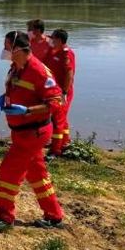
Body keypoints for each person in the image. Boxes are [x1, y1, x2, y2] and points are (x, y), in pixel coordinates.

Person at [0, 30, 65, 229]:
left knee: (9, 172)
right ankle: (54, 216)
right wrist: (3, 98)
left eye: (7, 47)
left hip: (33, 132)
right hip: (21, 132)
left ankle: (4, 216)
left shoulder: (38, 71)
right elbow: (17, 88)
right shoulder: (16, 67)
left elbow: (56, 102)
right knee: (37, 174)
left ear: (18, 49)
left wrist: (28, 110)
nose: (4, 51)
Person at [43, 29, 76, 158]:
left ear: (60, 40)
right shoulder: (54, 51)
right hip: (53, 90)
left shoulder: (67, 53)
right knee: (62, 118)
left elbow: (69, 74)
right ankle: (65, 142)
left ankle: (55, 150)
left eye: (53, 39)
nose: (51, 40)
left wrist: (64, 92)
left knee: (57, 120)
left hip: (62, 92)